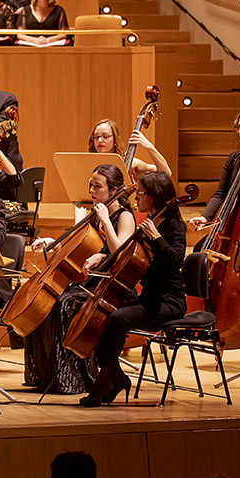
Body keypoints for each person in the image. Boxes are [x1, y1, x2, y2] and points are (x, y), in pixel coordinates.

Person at [20, 160, 130, 395]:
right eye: (91, 185)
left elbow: (122, 255)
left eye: (97, 186)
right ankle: (48, 375)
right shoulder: (95, 214)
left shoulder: (124, 217)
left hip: (111, 288)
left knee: (63, 304)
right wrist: (52, 242)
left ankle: (72, 379)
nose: (91, 191)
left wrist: (106, 222)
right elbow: (77, 246)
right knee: (46, 302)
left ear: (113, 190)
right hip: (91, 284)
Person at [82, 169, 186, 407]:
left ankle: (104, 381)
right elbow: (127, 254)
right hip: (150, 297)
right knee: (101, 316)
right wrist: (102, 256)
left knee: (118, 319)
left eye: (140, 193)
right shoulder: (149, 223)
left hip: (169, 301)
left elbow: (176, 260)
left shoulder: (174, 226)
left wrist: (157, 238)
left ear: (155, 195)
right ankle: (118, 379)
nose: (136, 197)